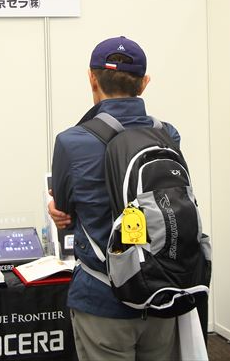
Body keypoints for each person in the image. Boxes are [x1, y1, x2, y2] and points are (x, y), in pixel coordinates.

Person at [48, 36, 181, 360]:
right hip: (162, 291)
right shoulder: (168, 134)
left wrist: (56, 211)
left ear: (91, 78)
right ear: (144, 83)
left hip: (101, 296)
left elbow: (65, 212)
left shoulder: (71, 141)